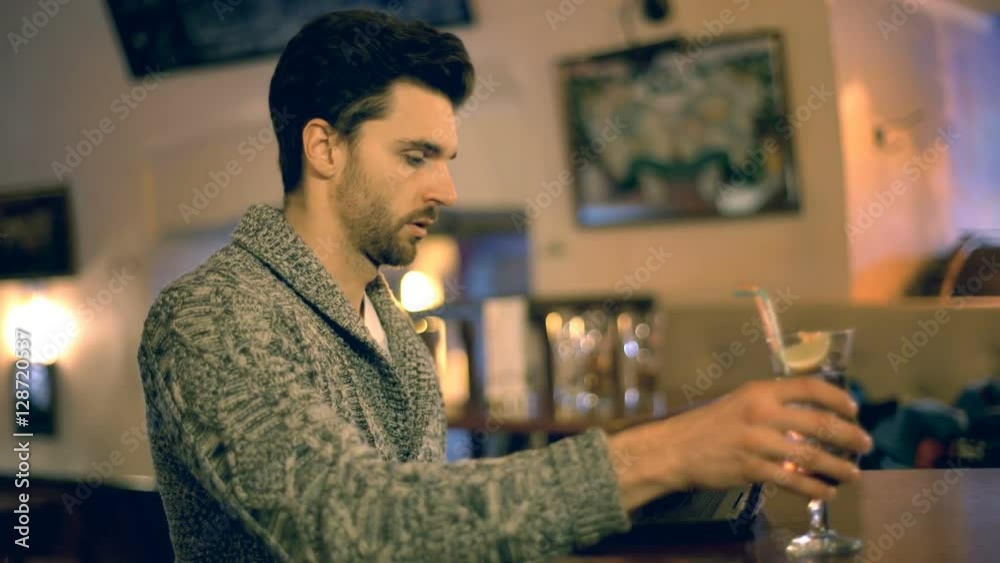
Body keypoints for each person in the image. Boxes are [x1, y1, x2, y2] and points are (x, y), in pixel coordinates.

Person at [136, 9, 873, 562]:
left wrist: (701, 475)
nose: (447, 189)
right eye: (417, 156)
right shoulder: (213, 313)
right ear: (324, 147)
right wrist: (662, 453)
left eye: (446, 158)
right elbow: (353, 525)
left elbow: (442, 520)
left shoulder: (388, 323)